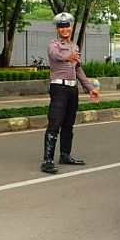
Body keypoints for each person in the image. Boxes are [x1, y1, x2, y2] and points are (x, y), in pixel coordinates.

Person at [41, 12, 100, 173]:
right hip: (59, 89)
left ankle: (65, 155)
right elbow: (56, 55)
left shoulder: (75, 46)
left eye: (67, 26)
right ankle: (47, 160)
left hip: (72, 89)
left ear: (71, 27)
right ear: (57, 29)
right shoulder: (53, 45)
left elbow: (78, 68)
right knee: (55, 123)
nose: (64, 29)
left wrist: (90, 88)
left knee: (68, 124)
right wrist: (69, 57)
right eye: (61, 26)